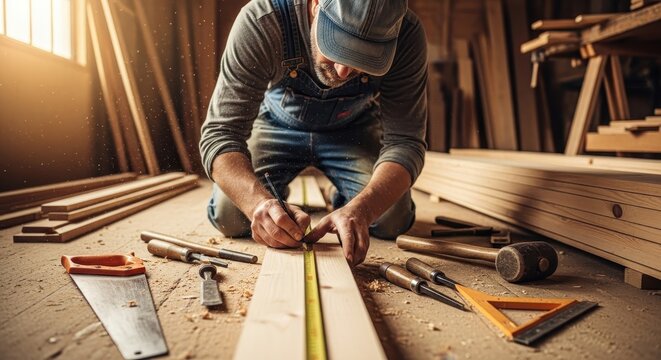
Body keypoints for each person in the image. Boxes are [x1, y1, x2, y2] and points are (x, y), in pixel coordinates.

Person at [200, 0, 428, 266]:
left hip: (353, 132)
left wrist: (363, 208)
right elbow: (220, 132)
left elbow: (406, 142)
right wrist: (259, 204)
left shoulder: (407, 35)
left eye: (365, 57)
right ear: (316, 5)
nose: (343, 72)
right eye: (337, 46)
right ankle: (276, 199)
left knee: (391, 219)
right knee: (231, 216)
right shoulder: (263, 20)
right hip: (276, 125)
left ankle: (344, 198)